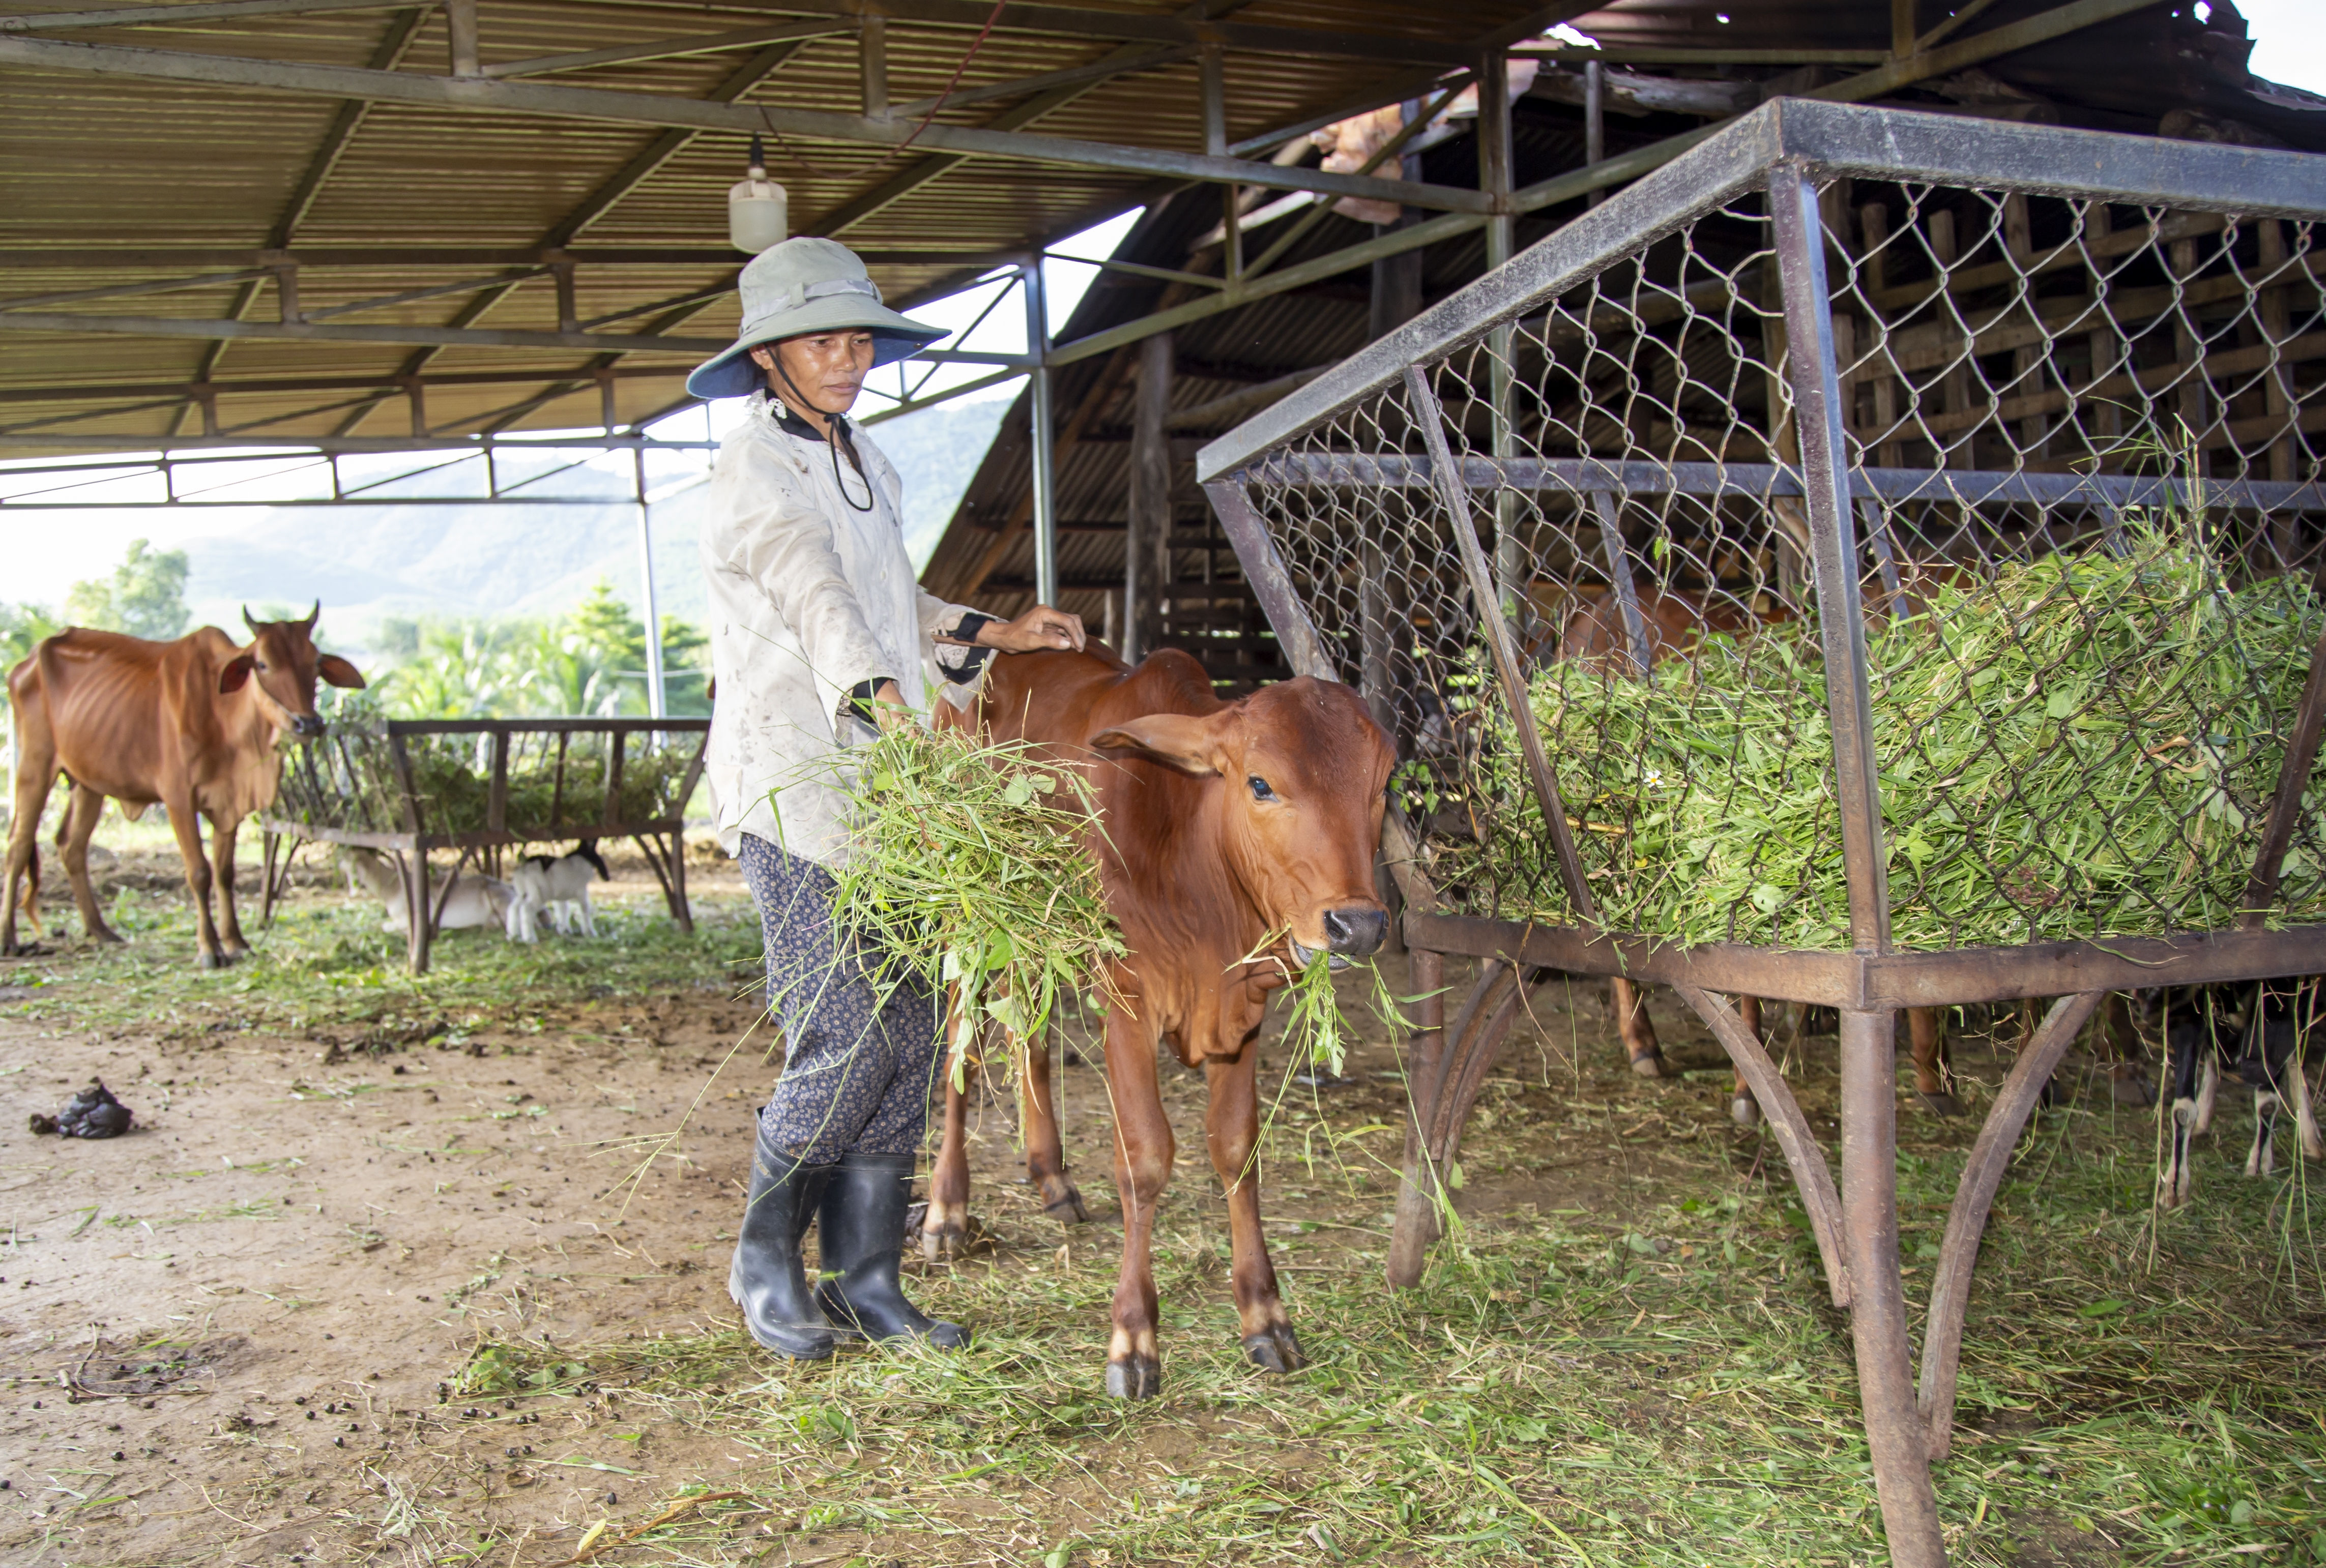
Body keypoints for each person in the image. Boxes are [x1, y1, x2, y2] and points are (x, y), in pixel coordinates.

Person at [690, 238, 1085, 1359]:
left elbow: (883, 593)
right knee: (844, 1031)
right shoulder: (751, 475)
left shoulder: (863, 456)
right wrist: (872, 687)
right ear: (768, 358)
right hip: (795, 779)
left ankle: (867, 1276)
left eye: (861, 338)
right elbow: (817, 594)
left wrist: (988, 631)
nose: (850, 358)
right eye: (825, 340)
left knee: (911, 1035)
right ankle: (764, 1263)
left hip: (888, 796)